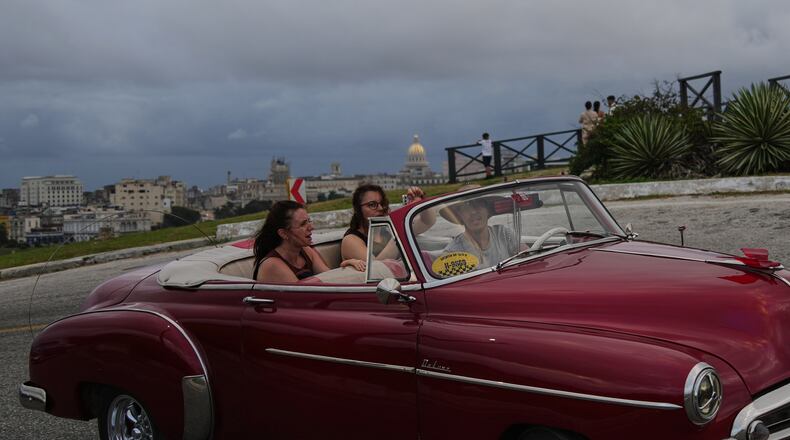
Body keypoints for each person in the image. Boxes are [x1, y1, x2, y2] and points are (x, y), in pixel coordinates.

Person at [253, 200, 363, 283]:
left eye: (309, 221)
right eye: (303, 224)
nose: (311, 227)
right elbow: (302, 295)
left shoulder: (306, 250)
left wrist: (345, 266)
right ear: (283, 234)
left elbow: (329, 279)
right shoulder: (272, 264)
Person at [341, 184, 434, 265]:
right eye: (372, 204)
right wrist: (400, 232)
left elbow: (427, 222)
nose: (380, 208)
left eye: (382, 203)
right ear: (357, 209)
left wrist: (421, 200)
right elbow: (375, 267)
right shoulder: (351, 240)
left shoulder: (387, 230)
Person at [439, 190, 518, 269]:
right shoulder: (452, 253)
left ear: (488, 210)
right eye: (466, 207)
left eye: (478, 205)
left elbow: (523, 256)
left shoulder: (504, 234)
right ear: (460, 215)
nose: (473, 212)